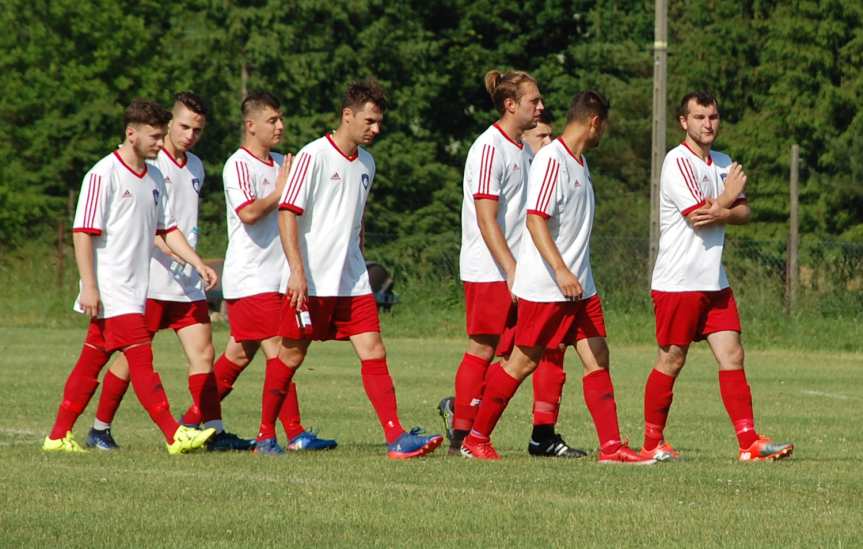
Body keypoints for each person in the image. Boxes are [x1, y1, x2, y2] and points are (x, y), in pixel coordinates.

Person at [460, 91, 654, 463]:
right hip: (548, 286)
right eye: (604, 127)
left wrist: (577, 275)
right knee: (522, 362)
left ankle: (611, 446)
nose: (603, 135)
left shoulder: (579, 163)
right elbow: (536, 220)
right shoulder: (552, 159)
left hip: (581, 288)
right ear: (594, 122)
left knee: (598, 355)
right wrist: (561, 271)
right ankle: (475, 439)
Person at [261, 77, 442, 458]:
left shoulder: (367, 163)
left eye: (379, 122)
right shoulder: (313, 156)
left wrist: (357, 251)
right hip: (308, 281)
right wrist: (296, 271)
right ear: (347, 115)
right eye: (369, 121)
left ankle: (396, 437)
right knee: (291, 356)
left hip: (351, 279)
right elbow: (287, 215)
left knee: (373, 350)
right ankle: (265, 438)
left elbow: (355, 219)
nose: (376, 129)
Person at [42, 99, 218, 455]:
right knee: (142, 360)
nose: (159, 142)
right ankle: (174, 434)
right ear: (131, 133)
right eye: (154, 136)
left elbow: (167, 229)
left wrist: (197, 262)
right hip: (111, 289)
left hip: (135, 289)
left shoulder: (153, 177)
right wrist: (89, 286)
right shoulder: (103, 174)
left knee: (90, 362)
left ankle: (58, 435)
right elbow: (82, 233)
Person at [83, 92, 253, 452]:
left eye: (198, 130)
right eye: (184, 127)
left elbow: (176, 225)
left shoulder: (196, 167)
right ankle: (100, 428)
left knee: (203, 354)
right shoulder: (149, 166)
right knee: (130, 361)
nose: (190, 135)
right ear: (169, 124)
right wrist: (163, 248)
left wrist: (196, 262)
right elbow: (150, 226)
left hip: (185, 283)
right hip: (149, 282)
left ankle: (212, 429)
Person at [639, 90, 794, 462]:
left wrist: (724, 206)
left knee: (733, 355)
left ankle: (748, 443)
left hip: (714, 281)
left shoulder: (722, 161)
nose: (708, 124)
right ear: (683, 122)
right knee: (672, 360)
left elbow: (743, 212)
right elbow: (697, 216)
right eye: (699, 117)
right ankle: (651, 443)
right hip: (679, 282)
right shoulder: (676, 162)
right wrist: (727, 197)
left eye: (713, 117)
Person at [438, 90, 585, 458]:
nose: (541, 109)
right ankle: (462, 432)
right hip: (493, 268)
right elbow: (486, 218)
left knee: (545, 350)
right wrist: (510, 269)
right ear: (510, 105)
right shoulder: (489, 147)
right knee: (485, 346)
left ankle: (539, 434)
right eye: (534, 101)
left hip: (526, 270)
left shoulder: (524, 151)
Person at [188, 91, 335, 454]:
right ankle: (294, 432)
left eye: (281, 119)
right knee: (281, 352)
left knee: (238, 356)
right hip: (251, 280)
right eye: (272, 120)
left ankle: (190, 423)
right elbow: (249, 213)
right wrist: (281, 193)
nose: (280, 126)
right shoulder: (238, 164)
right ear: (251, 125)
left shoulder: (277, 166)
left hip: (276, 279)